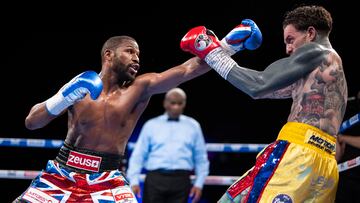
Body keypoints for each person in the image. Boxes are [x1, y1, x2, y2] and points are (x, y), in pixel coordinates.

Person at [14, 23, 255, 202]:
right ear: (108, 55)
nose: (136, 58)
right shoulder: (80, 87)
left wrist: (227, 45)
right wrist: (63, 97)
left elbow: (187, 70)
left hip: (107, 179)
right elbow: (32, 122)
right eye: (130, 51)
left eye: (138, 54)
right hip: (61, 173)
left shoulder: (141, 88)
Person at [181, 5, 347, 203]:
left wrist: (209, 50)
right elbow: (260, 90)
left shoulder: (316, 51)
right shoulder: (329, 69)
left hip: (298, 155)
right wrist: (226, 48)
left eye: (290, 40)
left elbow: (257, 85)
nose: (288, 49)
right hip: (326, 163)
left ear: (310, 33)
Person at [127, 87, 209, 203]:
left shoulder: (193, 126)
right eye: (173, 103)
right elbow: (138, 155)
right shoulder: (151, 125)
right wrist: (134, 181)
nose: (176, 107)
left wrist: (199, 184)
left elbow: (201, 158)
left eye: (179, 103)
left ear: (184, 104)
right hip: (155, 179)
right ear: (165, 103)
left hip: (181, 180)